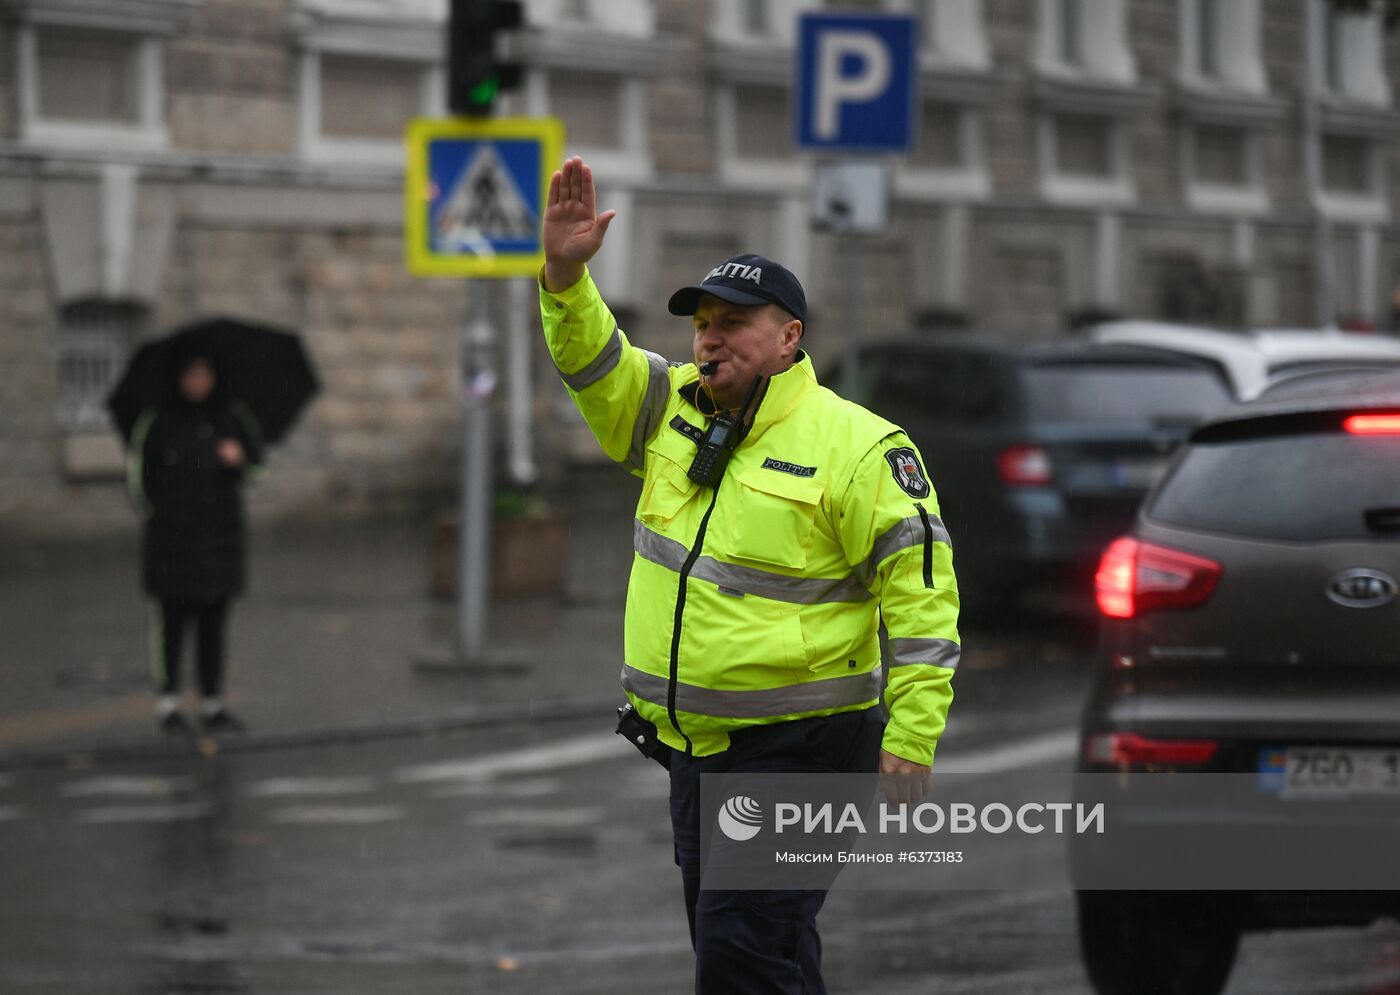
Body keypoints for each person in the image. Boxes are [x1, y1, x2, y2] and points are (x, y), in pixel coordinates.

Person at [539, 157, 959, 993]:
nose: (709, 338)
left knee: (740, 962)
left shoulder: (859, 445)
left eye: (734, 322)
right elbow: (594, 362)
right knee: (759, 953)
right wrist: (565, 274)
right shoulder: (672, 408)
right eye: (702, 323)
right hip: (697, 749)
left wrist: (910, 738)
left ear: (789, 336)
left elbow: (921, 596)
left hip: (804, 750)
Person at [126, 346, 262, 735]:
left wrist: (239, 460)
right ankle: (168, 700)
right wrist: (163, 513)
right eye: (192, 375)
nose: (199, 383)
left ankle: (212, 700)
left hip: (219, 540)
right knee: (170, 622)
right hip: (171, 543)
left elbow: (258, 464)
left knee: (213, 622)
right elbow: (138, 481)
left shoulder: (231, 417)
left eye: (205, 375)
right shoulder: (158, 421)